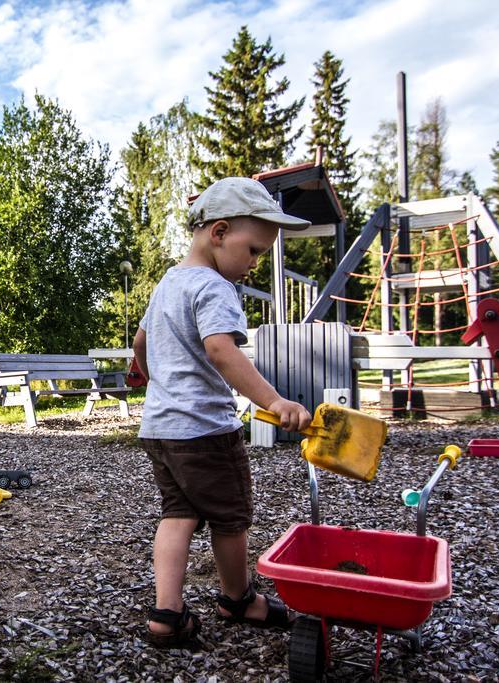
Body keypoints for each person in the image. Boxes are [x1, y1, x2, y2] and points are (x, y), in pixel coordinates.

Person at [133, 177, 314, 648]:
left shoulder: (168, 283)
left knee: (178, 514)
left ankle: (166, 614)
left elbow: (140, 343)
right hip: (205, 430)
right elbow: (221, 350)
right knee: (231, 518)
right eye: (253, 250)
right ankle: (238, 599)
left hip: (161, 428)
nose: (254, 264)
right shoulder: (215, 289)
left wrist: (158, 382)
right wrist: (273, 401)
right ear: (218, 232)